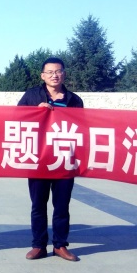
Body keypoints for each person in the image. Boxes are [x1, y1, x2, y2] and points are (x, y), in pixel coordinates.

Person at [17, 57, 83, 262]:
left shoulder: (74, 100)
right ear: (42, 75)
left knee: (62, 206)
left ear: (64, 74)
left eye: (58, 71)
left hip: (64, 159)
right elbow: (16, 119)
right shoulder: (31, 95)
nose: (55, 75)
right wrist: (36, 111)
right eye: (50, 72)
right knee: (38, 205)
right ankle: (38, 245)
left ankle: (60, 245)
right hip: (39, 158)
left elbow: (82, 127)